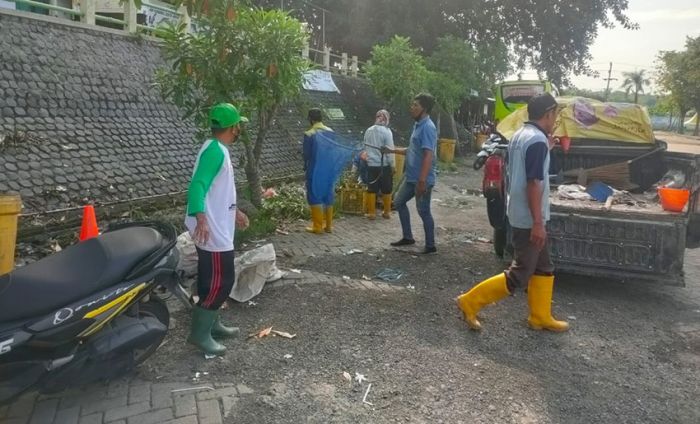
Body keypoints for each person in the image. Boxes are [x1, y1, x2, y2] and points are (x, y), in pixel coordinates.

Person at [456, 93, 569, 332]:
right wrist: (538, 222)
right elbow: (533, 183)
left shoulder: (521, 135)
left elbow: (525, 163)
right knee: (519, 274)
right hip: (529, 217)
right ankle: (469, 301)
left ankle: (540, 316)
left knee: (544, 266)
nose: (556, 119)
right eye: (555, 114)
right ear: (548, 114)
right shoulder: (536, 141)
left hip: (520, 211)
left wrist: (546, 149)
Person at [185, 103, 250, 355]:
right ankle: (199, 334)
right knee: (220, 282)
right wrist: (201, 217)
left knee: (210, 280)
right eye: (238, 125)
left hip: (216, 225)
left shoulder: (216, 148)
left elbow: (218, 193)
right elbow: (198, 186)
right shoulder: (216, 152)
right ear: (233, 127)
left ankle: (212, 324)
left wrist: (236, 212)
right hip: (211, 231)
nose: (239, 129)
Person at [383, 93, 438, 254]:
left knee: (423, 211)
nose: (412, 108)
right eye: (412, 104)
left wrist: (422, 181)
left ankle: (430, 245)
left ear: (424, 108)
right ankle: (408, 237)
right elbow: (412, 150)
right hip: (411, 177)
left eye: (416, 105)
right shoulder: (418, 125)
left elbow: (428, 155)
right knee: (399, 202)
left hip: (422, 179)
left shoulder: (428, 127)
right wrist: (391, 150)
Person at [303, 108, 335, 234]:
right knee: (328, 194)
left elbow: (307, 154)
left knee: (314, 194)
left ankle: (317, 226)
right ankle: (329, 226)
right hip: (328, 169)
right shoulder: (331, 132)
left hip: (315, 169)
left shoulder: (309, 134)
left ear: (311, 119)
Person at [363, 109, 395, 220]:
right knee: (387, 189)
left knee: (371, 188)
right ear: (386, 119)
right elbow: (390, 150)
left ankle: (371, 213)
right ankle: (386, 212)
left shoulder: (368, 130)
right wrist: (393, 165)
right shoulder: (387, 132)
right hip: (384, 165)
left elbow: (365, 147)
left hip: (371, 164)